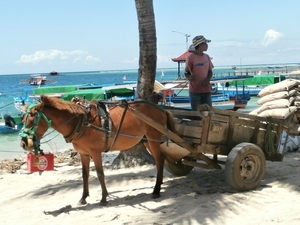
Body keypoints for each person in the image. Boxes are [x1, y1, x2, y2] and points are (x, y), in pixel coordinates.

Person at [185, 35, 214, 110]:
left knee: (208, 112)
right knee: (197, 113)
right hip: (195, 91)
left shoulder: (207, 57)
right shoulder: (190, 58)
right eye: (205, 44)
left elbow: (210, 72)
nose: (207, 45)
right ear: (200, 45)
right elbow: (186, 73)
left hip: (206, 90)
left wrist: (207, 80)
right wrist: (190, 77)